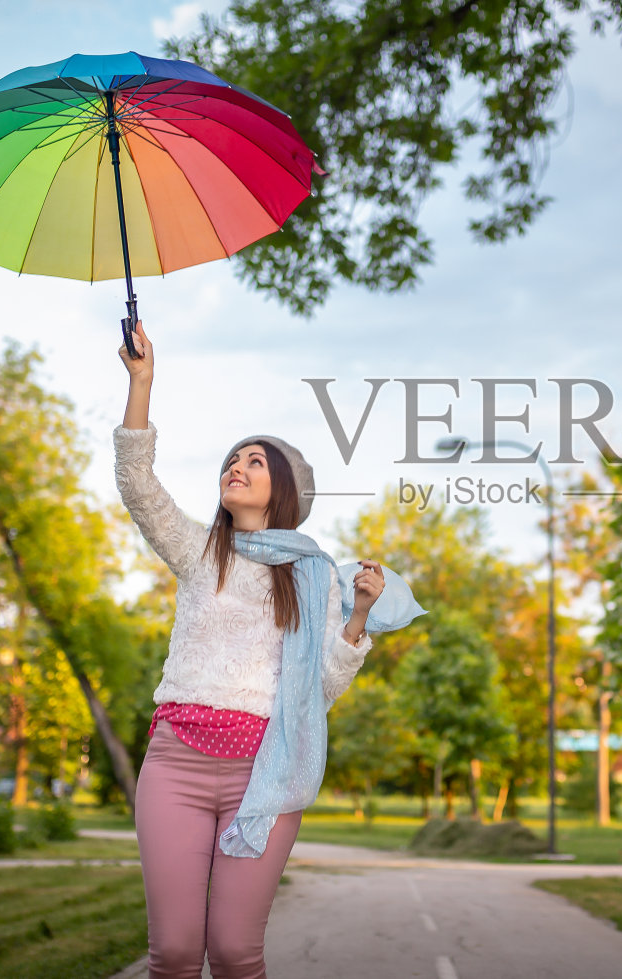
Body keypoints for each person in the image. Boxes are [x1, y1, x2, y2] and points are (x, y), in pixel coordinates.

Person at [115, 321, 413, 979]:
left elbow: (320, 688)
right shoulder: (199, 551)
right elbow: (137, 484)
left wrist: (359, 615)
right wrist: (142, 381)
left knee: (234, 951)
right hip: (177, 763)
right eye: (233, 459)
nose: (237, 467)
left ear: (283, 489)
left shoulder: (311, 577)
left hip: (266, 773)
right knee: (174, 952)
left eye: (255, 462)